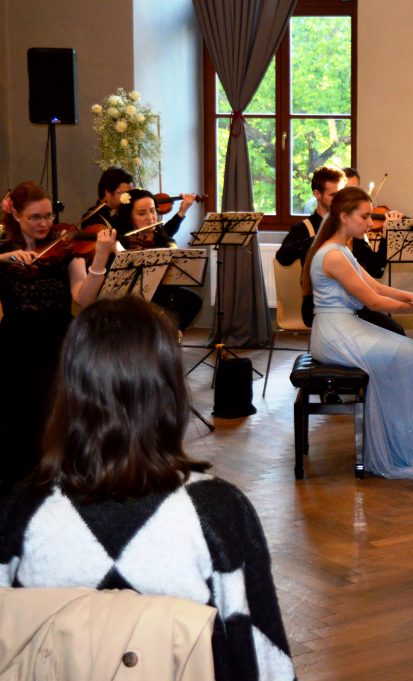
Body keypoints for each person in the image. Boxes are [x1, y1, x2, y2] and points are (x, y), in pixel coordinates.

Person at [0, 296, 296, 680]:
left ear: (68, 389)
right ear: (169, 390)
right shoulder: (216, 512)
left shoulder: (24, 507)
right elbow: (262, 655)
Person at [301, 186, 413, 478]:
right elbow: (373, 302)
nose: (371, 223)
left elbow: (376, 286)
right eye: (364, 217)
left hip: (341, 327)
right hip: (335, 333)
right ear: (344, 216)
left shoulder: (341, 250)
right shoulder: (333, 256)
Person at [0, 181, 117, 497]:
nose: (44, 224)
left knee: (60, 416)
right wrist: (4, 259)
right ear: (17, 216)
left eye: (48, 215)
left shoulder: (66, 250)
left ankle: (62, 484)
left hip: (59, 344)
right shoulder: (3, 253)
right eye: (35, 217)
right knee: (20, 418)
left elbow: (84, 298)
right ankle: (21, 489)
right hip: (15, 348)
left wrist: (99, 259)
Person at [278, 166, 401, 332]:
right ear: (317, 195)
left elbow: (376, 270)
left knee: (394, 329)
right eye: (334, 195)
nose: (341, 200)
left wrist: (386, 237)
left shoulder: (354, 229)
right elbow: (283, 257)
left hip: (354, 304)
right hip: (321, 308)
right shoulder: (304, 228)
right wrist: (320, 240)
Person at [108, 188, 203, 330]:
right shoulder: (121, 239)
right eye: (142, 213)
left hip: (159, 291)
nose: (150, 218)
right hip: (130, 296)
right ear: (129, 216)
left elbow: (168, 236)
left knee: (192, 300)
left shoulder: (158, 233)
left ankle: (172, 337)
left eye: (153, 211)